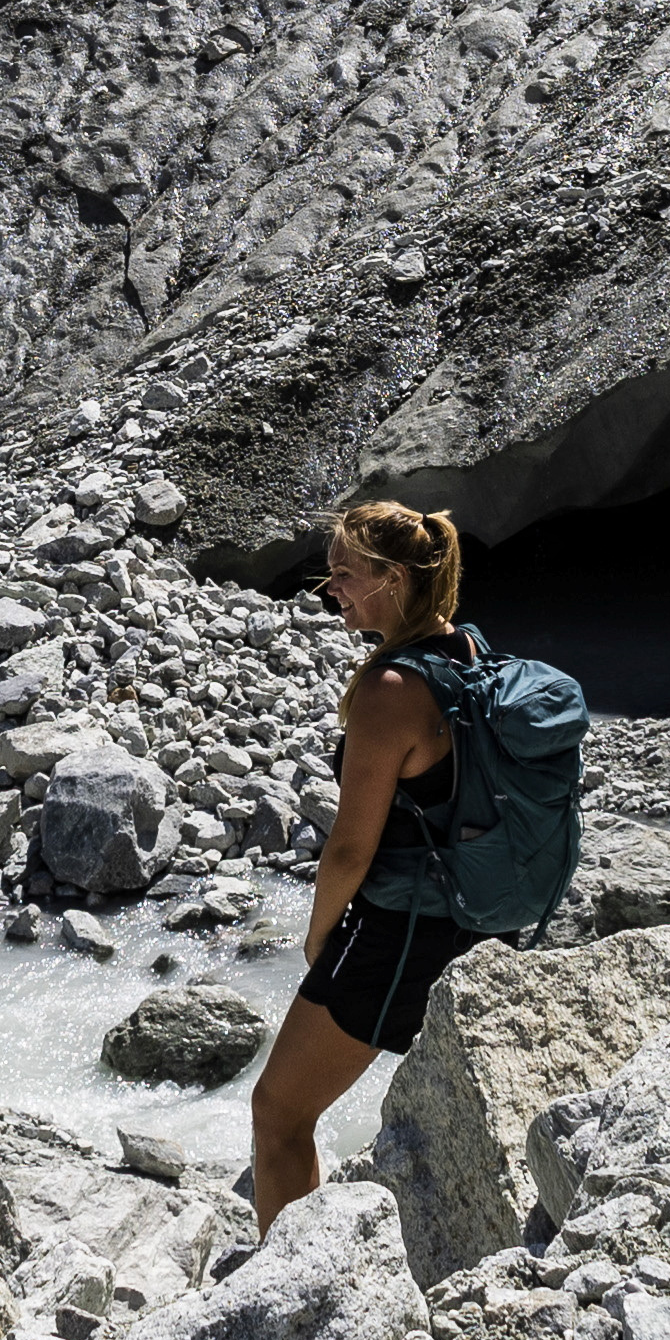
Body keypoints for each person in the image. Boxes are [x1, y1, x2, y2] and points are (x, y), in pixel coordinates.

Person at [249, 496, 482, 1227]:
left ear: (390, 577)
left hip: (398, 929)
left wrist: (319, 937)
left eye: (345, 574)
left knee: (277, 1112)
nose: (331, 591)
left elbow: (351, 846)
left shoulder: (389, 690)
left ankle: (288, 1296)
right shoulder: (470, 651)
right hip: (472, 913)